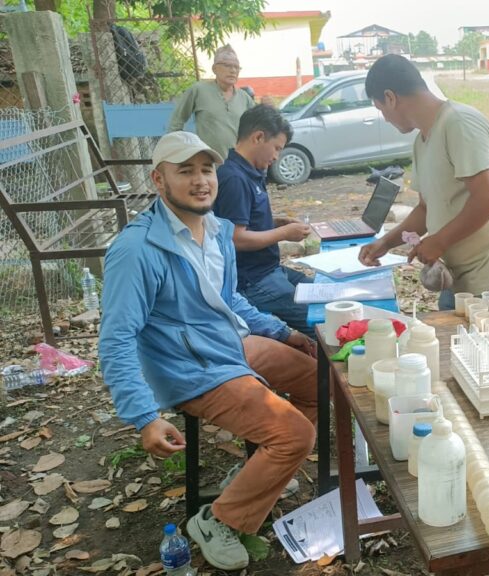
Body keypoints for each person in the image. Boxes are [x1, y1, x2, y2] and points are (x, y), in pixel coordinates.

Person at [98, 132, 317, 571]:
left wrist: (281, 332)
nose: (201, 181)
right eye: (186, 171)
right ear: (159, 180)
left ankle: (257, 471)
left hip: (228, 345)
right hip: (189, 367)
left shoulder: (216, 230)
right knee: (295, 435)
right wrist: (144, 416)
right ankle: (219, 519)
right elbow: (116, 338)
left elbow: (228, 299)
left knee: (319, 378)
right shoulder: (137, 249)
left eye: (206, 169)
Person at [358, 54, 489, 308]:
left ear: (391, 97)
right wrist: (386, 242)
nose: (385, 117)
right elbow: (425, 209)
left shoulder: (460, 124)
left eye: (380, 108)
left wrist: (439, 241)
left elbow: (488, 199)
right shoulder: (422, 141)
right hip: (457, 278)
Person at [213, 104, 314, 337]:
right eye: (276, 148)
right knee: (321, 320)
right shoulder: (234, 179)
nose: (277, 156)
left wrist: (276, 222)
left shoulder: (250, 172)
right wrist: (284, 234)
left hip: (270, 270)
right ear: (258, 137)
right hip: (254, 281)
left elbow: (245, 219)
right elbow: (236, 238)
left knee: (325, 292)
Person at [169, 45, 255, 159]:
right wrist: (178, 151)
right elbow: (176, 122)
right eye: (227, 65)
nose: (233, 70)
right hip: (208, 162)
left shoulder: (244, 98)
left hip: (237, 164)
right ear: (214, 68)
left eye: (237, 67)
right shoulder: (199, 90)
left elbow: (258, 128)